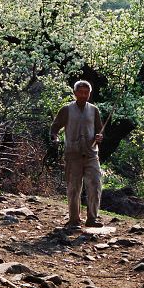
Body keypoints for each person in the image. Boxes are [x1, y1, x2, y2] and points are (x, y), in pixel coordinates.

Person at [50, 80, 104, 228]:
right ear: (74, 93)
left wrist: (99, 137)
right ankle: (74, 220)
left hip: (91, 155)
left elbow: (100, 130)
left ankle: (92, 219)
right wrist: (55, 138)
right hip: (72, 154)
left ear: (89, 94)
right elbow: (54, 128)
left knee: (95, 185)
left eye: (86, 92)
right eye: (80, 92)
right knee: (73, 188)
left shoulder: (94, 110)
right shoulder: (66, 110)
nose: (83, 95)